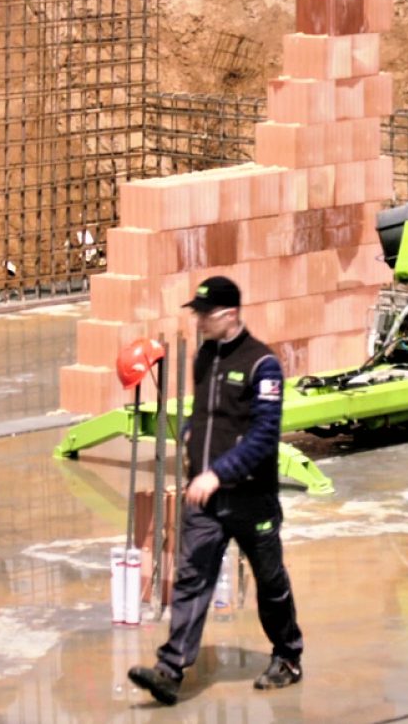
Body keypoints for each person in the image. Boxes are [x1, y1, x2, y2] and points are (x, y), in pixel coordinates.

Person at [127, 276, 304, 706]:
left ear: (229, 314)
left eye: (205, 314)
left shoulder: (263, 365)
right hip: (205, 499)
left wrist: (217, 474)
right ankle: (170, 670)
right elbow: (204, 413)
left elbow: (264, 437)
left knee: (270, 580)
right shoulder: (205, 356)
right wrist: (189, 440)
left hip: (250, 497)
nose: (198, 321)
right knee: (191, 579)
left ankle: (287, 655)